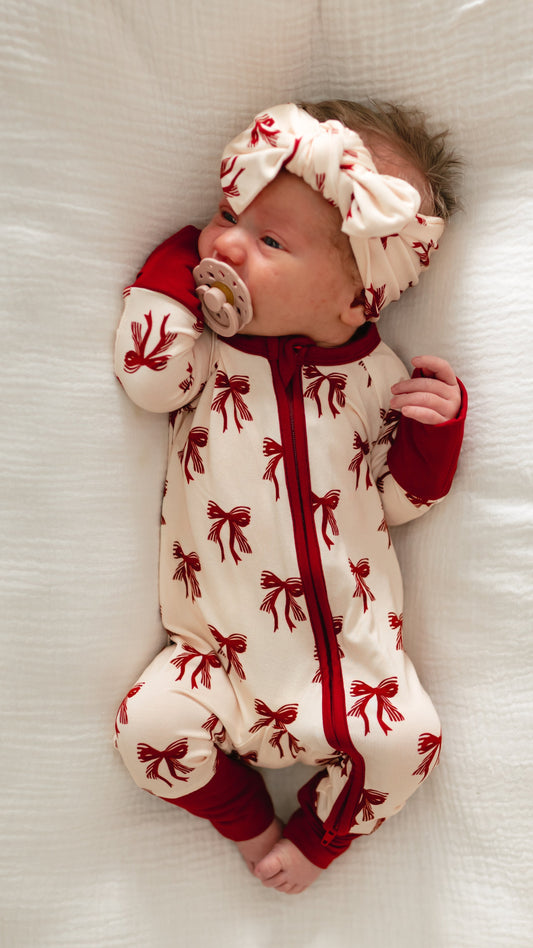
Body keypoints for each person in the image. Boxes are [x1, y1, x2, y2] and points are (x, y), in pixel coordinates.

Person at [113, 100, 466, 894]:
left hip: (350, 670)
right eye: (226, 214)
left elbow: (399, 500)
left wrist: (431, 433)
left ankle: (318, 836)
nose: (225, 243)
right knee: (147, 732)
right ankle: (247, 819)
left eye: (270, 242)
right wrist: (174, 264)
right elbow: (146, 377)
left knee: (410, 741)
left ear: (357, 301)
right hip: (214, 662)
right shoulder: (204, 352)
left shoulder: (375, 379)